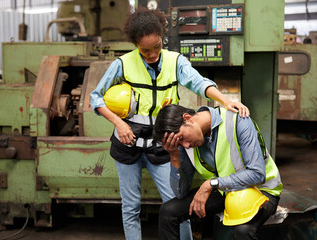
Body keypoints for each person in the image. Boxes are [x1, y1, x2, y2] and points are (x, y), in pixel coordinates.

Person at [90, 8, 249, 240]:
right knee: (131, 207)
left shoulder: (176, 62)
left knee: (176, 205)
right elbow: (96, 97)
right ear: (135, 44)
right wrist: (118, 123)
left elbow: (198, 82)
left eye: (157, 47)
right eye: (145, 50)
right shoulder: (122, 64)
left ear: (162, 37)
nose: (153, 54)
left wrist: (225, 100)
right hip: (127, 143)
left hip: (163, 143)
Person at [153, 104, 283, 240]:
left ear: (188, 118)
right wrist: (174, 156)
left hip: (261, 190)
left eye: (181, 139)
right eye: (178, 143)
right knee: (168, 211)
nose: (185, 145)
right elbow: (181, 193)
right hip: (226, 190)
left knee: (243, 230)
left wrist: (211, 184)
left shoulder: (238, 121)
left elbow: (257, 174)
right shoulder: (185, 144)